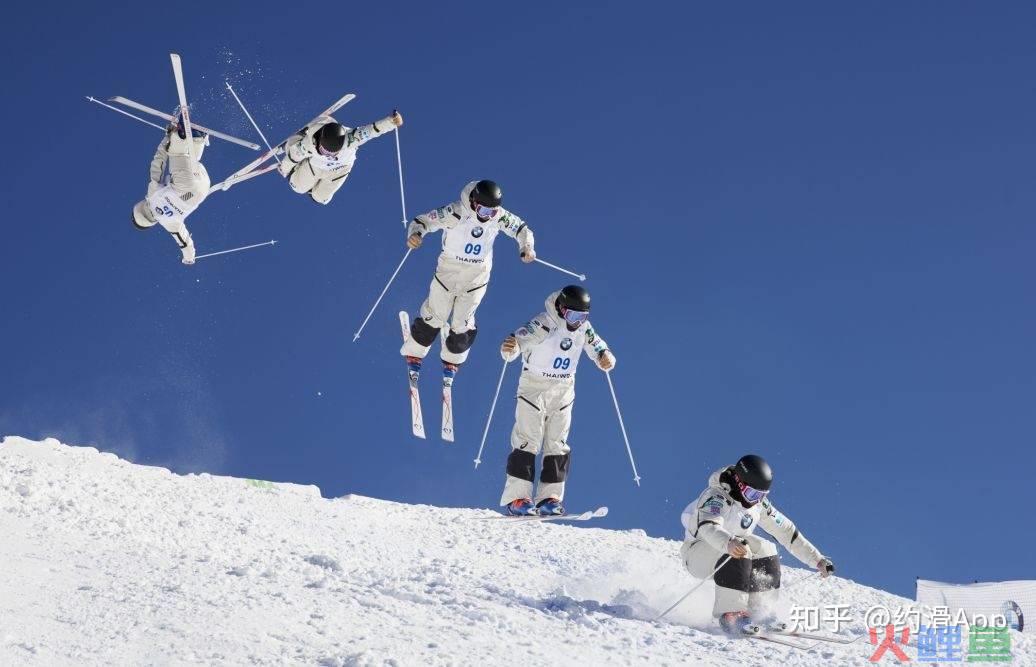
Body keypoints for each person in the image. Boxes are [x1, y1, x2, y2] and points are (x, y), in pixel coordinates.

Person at [679, 454, 836, 634]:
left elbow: (785, 531)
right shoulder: (716, 496)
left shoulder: (758, 504)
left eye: (761, 496)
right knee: (741, 550)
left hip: (732, 546)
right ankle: (731, 614)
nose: (755, 500)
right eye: (752, 494)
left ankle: (760, 611)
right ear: (739, 483)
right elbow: (708, 525)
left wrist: (817, 559)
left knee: (766, 549)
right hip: (697, 553)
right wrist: (728, 542)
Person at [401, 180, 536, 383]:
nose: (486, 216)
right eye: (483, 210)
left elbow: (521, 228)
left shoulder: (498, 217)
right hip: (449, 272)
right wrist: (415, 234)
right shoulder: (455, 212)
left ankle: (452, 360)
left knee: (462, 322)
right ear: (473, 202)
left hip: (476, 277)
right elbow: (423, 221)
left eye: (491, 212)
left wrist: (526, 247)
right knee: (435, 315)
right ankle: (415, 352)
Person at [496, 286, 615, 516]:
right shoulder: (545, 322)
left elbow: (598, 347)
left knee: (557, 444)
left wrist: (605, 357)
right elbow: (521, 339)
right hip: (534, 386)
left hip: (563, 389)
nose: (577, 322)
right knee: (527, 439)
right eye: (573, 316)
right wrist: (510, 348)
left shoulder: (584, 329)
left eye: (582, 317)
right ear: (562, 309)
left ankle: (549, 498)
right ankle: (518, 498)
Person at [131, 112, 209, 265]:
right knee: (176, 152)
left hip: (203, 188)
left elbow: (185, 242)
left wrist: (189, 258)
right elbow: (157, 164)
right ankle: (184, 134)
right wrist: (168, 137)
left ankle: (198, 138)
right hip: (185, 181)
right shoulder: (152, 197)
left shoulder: (169, 224)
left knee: (188, 161)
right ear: (140, 207)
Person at [276, 110, 402, 204]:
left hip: (341, 168)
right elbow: (293, 156)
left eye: (332, 153)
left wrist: (391, 122)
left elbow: (373, 130)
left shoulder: (352, 139)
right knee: (297, 187)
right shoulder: (308, 144)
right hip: (316, 166)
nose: (328, 155)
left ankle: (313, 188)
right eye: (324, 150)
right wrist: (285, 169)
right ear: (319, 141)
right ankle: (297, 137)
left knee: (321, 199)